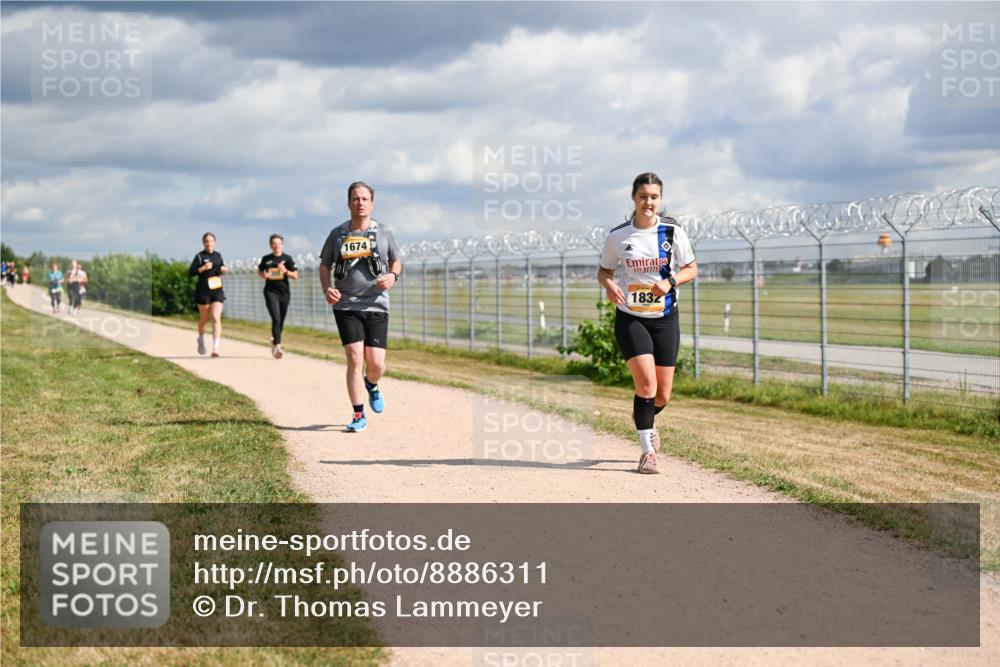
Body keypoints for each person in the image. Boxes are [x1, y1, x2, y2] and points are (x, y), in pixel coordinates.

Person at [598, 172, 698, 474]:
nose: (648, 202)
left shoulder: (673, 232)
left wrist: (670, 282)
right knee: (646, 385)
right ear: (634, 198)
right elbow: (604, 271)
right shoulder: (618, 236)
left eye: (654, 197)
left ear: (660, 200)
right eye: (643, 197)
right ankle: (647, 452)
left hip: (666, 318)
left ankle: (645, 419)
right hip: (631, 319)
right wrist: (609, 285)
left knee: (663, 394)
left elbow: (691, 269)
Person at [319, 181, 402, 433]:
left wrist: (393, 276)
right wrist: (327, 289)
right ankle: (358, 414)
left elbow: (396, 261)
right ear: (348, 203)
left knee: (375, 364)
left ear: (372, 203)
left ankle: (372, 384)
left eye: (365, 199)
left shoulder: (384, 232)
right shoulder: (338, 234)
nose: (360, 203)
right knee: (355, 359)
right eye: (356, 199)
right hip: (346, 305)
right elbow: (324, 266)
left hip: (376, 305)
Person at [257, 234, 299, 359]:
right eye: (274, 243)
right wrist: (263, 275)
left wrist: (285, 270)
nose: (276, 245)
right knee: (276, 318)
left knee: (281, 320)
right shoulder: (266, 259)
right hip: (270, 292)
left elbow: (295, 276)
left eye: (279, 243)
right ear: (271, 245)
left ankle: (274, 340)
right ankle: (278, 346)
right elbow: (260, 271)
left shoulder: (288, 259)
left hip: (284, 293)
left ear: (282, 245)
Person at [188, 232, 227, 357]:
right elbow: (191, 272)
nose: (209, 243)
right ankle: (200, 338)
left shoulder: (218, 255)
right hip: (203, 290)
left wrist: (223, 270)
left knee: (215, 317)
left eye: (211, 241)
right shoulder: (199, 256)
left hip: (217, 289)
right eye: (206, 241)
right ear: (203, 243)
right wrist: (203, 268)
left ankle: (216, 348)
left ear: (214, 242)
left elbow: (221, 269)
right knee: (204, 319)